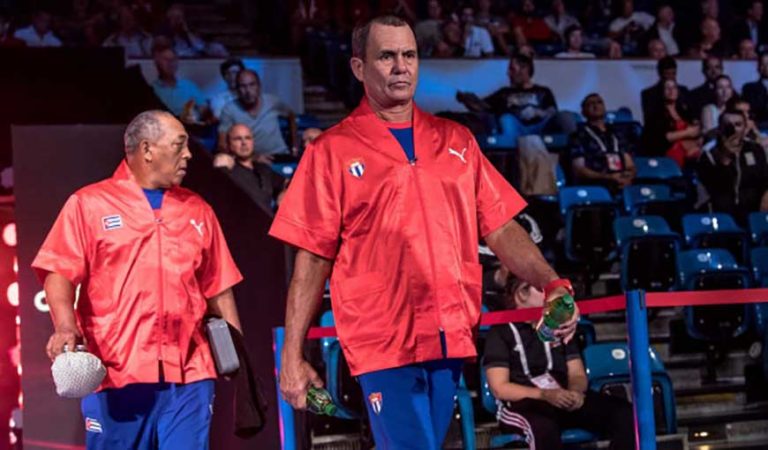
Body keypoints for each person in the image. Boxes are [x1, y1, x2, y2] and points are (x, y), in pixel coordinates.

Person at [269, 15, 579, 450]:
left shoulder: (456, 140)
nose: (401, 66)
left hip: (450, 335)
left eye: (409, 55)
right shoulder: (330, 151)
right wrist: (292, 355)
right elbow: (312, 258)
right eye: (387, 56)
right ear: (359, 68)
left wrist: (552, 283)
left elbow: (502, 226)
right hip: (382, 341)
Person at [32, 110, 243, 449]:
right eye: (179, 145)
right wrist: (65, 325)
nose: (188, 154)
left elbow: (218, 285)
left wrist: (239, 356)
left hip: (190, 371)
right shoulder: (89, 204)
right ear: (147, 150)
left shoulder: (197, 209)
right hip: (116, 370)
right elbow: (59, 271)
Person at [484, 272, 636, 450]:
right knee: (543, 429)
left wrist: (576, 393)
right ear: (521, 294)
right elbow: (499, 387)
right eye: (543, 290)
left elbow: (577, 373)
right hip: (524, 404)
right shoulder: (500, 332)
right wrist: (545, 395)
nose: (551, 296)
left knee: (624, 414)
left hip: (562, 397)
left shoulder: (560, 324)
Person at [456, 53, 575, 144]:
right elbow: (482, 106)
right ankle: (510, 152)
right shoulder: (504, 93)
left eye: (512, 69)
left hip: (541, 128)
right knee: (506, 119)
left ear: (525, 69)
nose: (508, 73)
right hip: (516, 130)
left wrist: (539, 112)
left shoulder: (543, 91)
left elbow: (553, 112)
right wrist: (467, 100)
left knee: (566, 116)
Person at [696, 108, 768, 225]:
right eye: (728, 125)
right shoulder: (709, 153)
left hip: (754, 211)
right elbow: (713, 188)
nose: (733, 129)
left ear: (745, 128)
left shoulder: (755, 149)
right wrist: (725, 157)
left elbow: (765, 178)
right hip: (721, 213)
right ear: (720, 128)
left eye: (738, 125)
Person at [567, 93, 635, 191]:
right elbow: (579, 170)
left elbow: (630, 165)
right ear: (583, 112)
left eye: (599, 102)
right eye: (591, 104)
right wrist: (608, 177)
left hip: (622, 183)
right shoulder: (578, 136)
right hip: (596, 186)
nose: (596, 106)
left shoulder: (616, 133)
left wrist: (628, 177)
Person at [217, 69, 290, 157]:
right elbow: (222, 145)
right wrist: (252, 158)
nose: (248, 91)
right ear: (237, 90)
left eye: (252, 85)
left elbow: (292, 116)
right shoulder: (229, 110)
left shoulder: (272, 101)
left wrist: (294, 146)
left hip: (281, 155)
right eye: (243, 86)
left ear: (259, 86)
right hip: (251, 161)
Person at [213, 124, 286, 211]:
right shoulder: (227, 169)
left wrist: (285, 193)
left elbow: (286, 183)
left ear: (253, 142)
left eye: (248, 138)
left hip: (268, 220)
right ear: (229, 144)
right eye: (237, 139)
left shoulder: (264, 169)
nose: (244, 143)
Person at [150, 40, 212, 123]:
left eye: (173, 59)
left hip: (190, 128)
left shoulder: (188, 85)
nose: (170, 63)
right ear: (157, 63)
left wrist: (196, 115)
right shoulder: (152, 89)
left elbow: (203, 108)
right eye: (166, 60)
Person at [643, 79, 701, 166]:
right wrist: (687, 133)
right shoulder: (656, 114)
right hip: (668, 152)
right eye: (667, 88)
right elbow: (663, 138)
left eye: (674, 87)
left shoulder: (684, 111)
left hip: (691, 149)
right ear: (661, 92)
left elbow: (695, 129)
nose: (671, 90)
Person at [640, 56, 689, 127]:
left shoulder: (683, 91)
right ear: (660, 73)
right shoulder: (649, 94)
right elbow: (650, 120)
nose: (671, 77)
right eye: (667, 74)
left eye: (673, 73)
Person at [742, 51, 768, 128]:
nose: (766, 67)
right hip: (758, 127)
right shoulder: (749, 88)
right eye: (763, 64)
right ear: (758, 67)